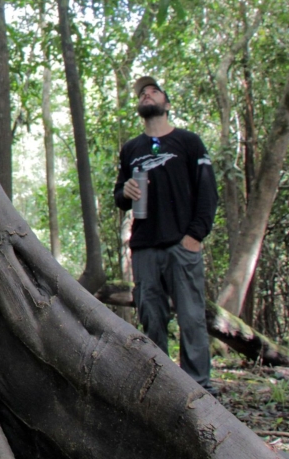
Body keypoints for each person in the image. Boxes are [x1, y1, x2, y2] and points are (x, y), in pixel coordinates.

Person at [114, 76, 218, 394]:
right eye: (142, 94)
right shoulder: (131, 149)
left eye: (154, 91)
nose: (147, 95)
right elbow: (120, 196)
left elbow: (207, 191)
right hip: (145, 247)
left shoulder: (189, 142)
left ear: (167, 104)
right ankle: (162, 388)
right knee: (151, 317)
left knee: (191, 317)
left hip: (182, 244)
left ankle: (199, 388)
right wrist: (125, 191)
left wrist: (195, 236)